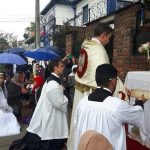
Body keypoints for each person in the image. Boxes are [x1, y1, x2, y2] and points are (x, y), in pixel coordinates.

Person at [67, 22, 125, 150]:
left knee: (81, 125)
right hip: (91, 94)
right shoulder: (98, 51)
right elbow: (105, 77)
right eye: (109, 38)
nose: (109, 42)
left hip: (80, 92)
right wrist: (122, 88)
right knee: (93, 128)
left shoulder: (86, 45)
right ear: (103, 35)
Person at [73, 64, 148, 150]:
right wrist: (140, 101)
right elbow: (136, 115)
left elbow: (77, 125)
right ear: (113, 81)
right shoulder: (116, 105)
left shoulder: (83, 102)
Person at [11, 59, 68, 150]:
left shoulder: (54, 80)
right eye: (61, 66)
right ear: (55, 68)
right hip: (51, 112)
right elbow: (59, 103)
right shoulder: (52, 83)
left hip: (52, 111)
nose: (63, 67)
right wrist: (66, 98)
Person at [0, 72, 20, 137]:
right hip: (2, 108)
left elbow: (5, 98)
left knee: (12, 115)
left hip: (5, 106)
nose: (1, 80)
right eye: (0, 78)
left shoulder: (4, 86)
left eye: (2, 78)